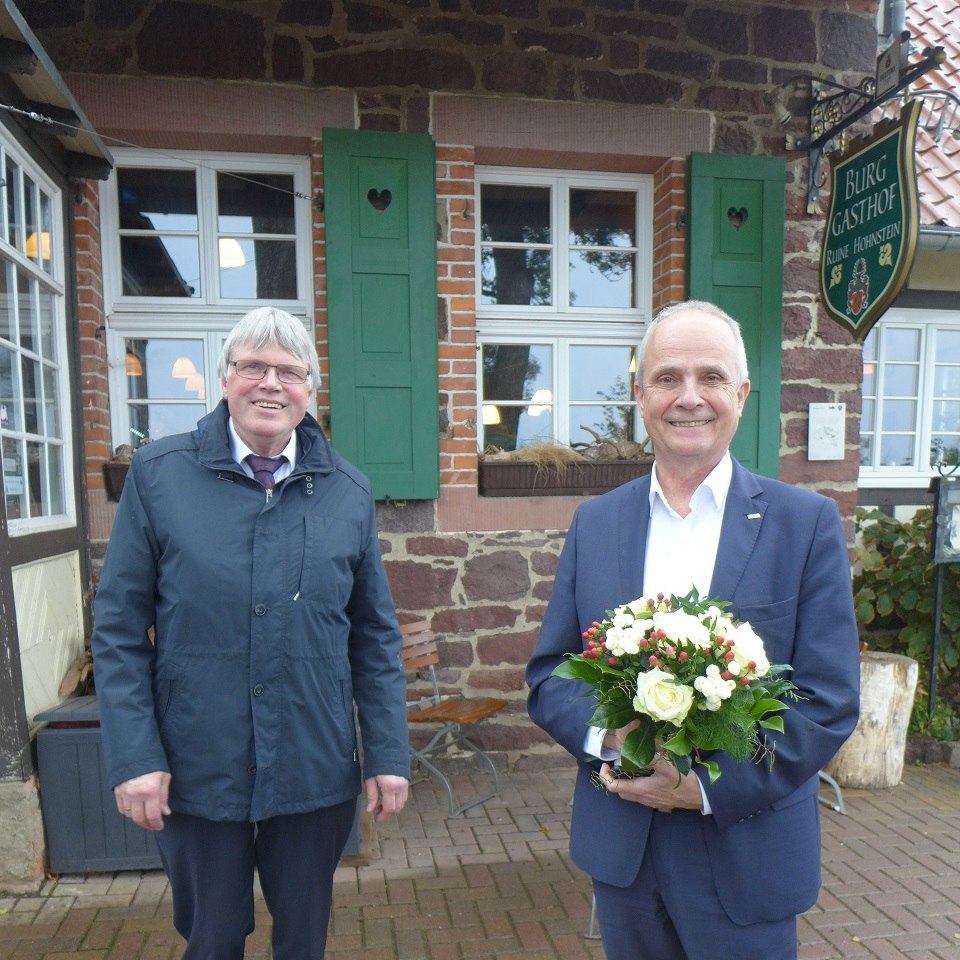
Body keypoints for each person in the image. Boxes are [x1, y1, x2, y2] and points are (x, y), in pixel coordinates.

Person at [526, 300, 860, 960]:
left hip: (747, 854)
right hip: (625, 849)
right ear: (640, 395)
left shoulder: (805, 524)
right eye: (667, 378)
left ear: (741, 394)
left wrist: (707, 784)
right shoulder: (595, 524)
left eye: (710, 377)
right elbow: (550, 674)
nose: (689, 398)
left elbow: (827, 701)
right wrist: (610, 739)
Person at [92, 307, 410, 960]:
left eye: (289, 372)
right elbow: (119, 631)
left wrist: (386, 754)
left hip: (312, 761)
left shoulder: (347, 491)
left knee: (302, 942)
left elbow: (373, 638)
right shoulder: (159, 478)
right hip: (196, 763)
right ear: (226, 378)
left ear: (310, 390)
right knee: (210, 940)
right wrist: (135, 756)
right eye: (253, 367)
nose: (270, 384)